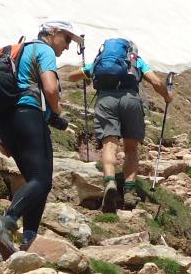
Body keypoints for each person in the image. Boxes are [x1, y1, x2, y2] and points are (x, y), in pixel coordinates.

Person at [0, 19, 80, 259]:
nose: (67, 46)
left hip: (6, 120)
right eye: (67, 39)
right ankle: (6, 221)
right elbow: (49, 88)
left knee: (34, 183)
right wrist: (57, 113)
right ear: (54, 32)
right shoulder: (43, 49)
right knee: (42, 181)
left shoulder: (20, 50)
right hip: (27, 115)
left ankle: (24, 243)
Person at [69, 39, 173, 212]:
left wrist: (87, 73)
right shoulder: (135, 61)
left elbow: (72, 76)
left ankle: (110, 182)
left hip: (105, 101)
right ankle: (130, 189)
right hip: (130, 101)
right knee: (131, 148)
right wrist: (167, 96)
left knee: (109, 144)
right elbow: (156, 82)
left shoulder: (99, 62)